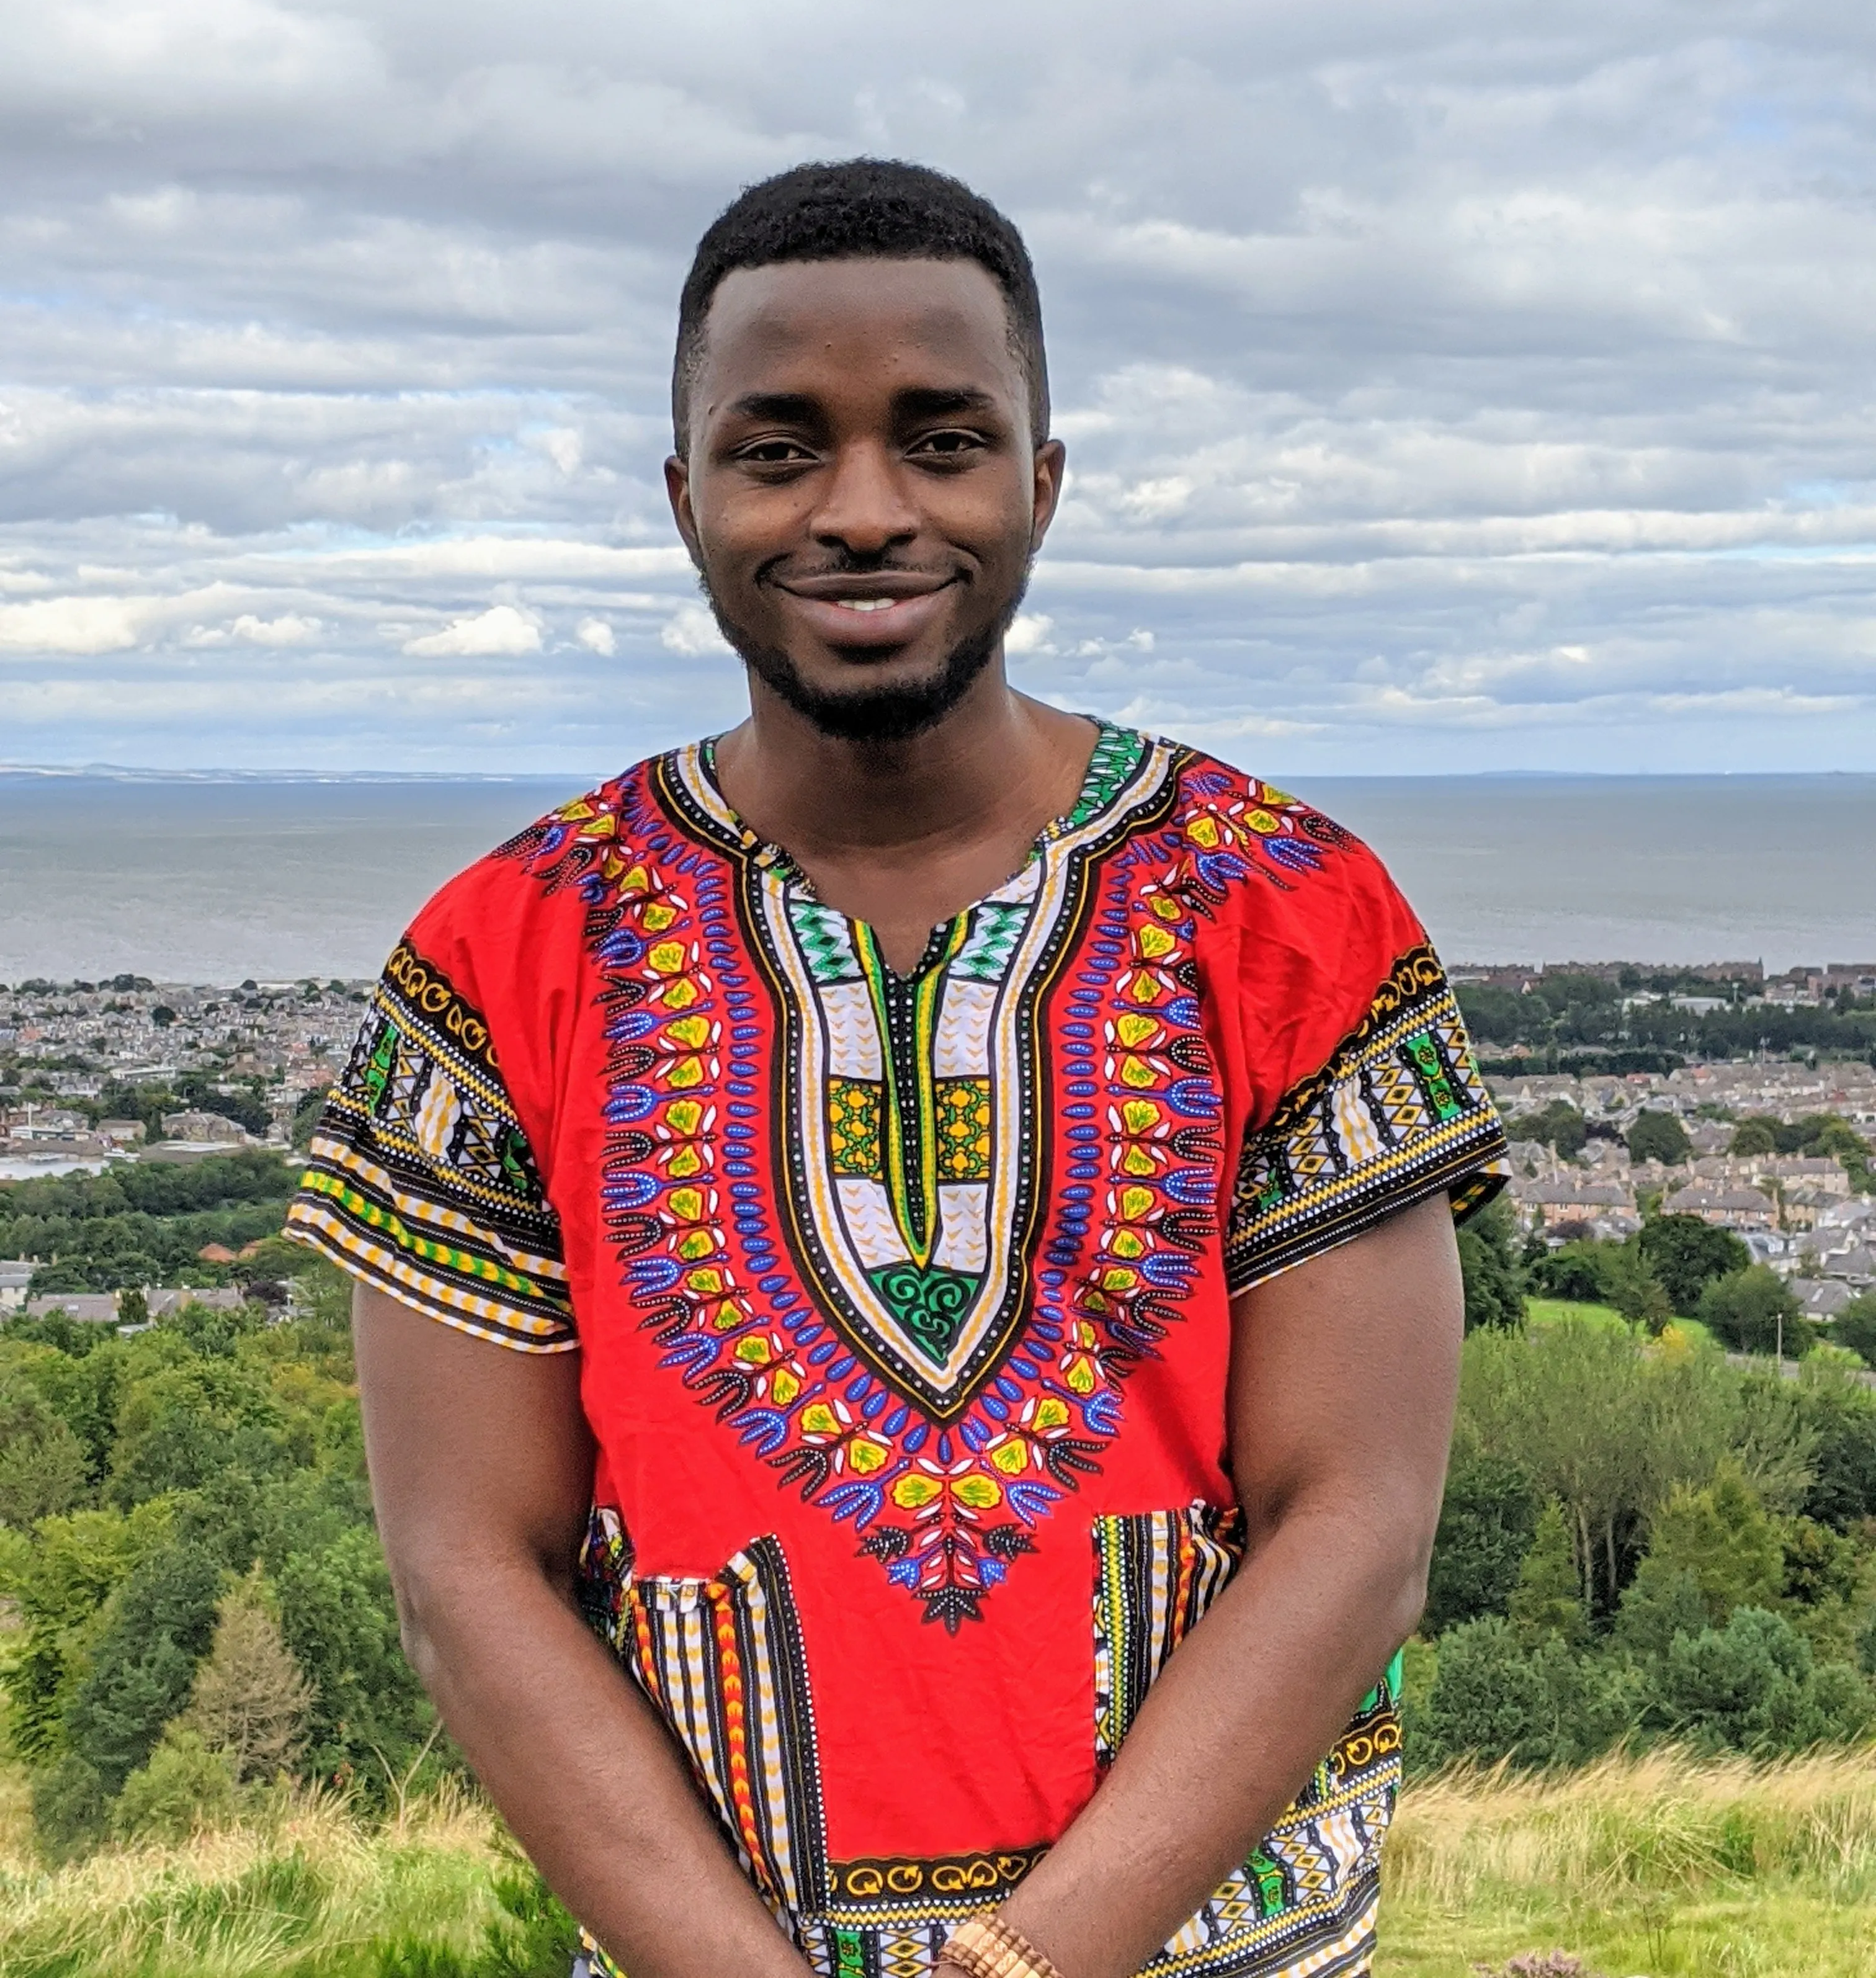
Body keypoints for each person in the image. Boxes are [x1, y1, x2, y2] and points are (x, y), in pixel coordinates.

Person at [287, 159, 1509, 1978]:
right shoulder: (504, 954)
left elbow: (1357, 1524)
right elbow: (466, 1568)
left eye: (942, 439)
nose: (863, 509)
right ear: (683, 490)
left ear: (1044, 479)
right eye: (781, 447)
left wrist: (1030, 1961)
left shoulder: (1290, 914)